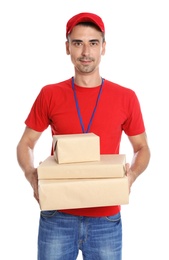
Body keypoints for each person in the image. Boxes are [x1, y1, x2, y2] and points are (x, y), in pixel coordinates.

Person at [16, 12, 150, 260]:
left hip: (106, 218)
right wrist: (30, 174)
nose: (85, 51)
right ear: (67, 48)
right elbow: (26, 143)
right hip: (57, 215)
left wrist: (131, 176)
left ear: (104, 48)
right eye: (78, 43)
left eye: (93, 43)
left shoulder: (126, 97)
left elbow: (142, 148)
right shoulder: (50, 94)